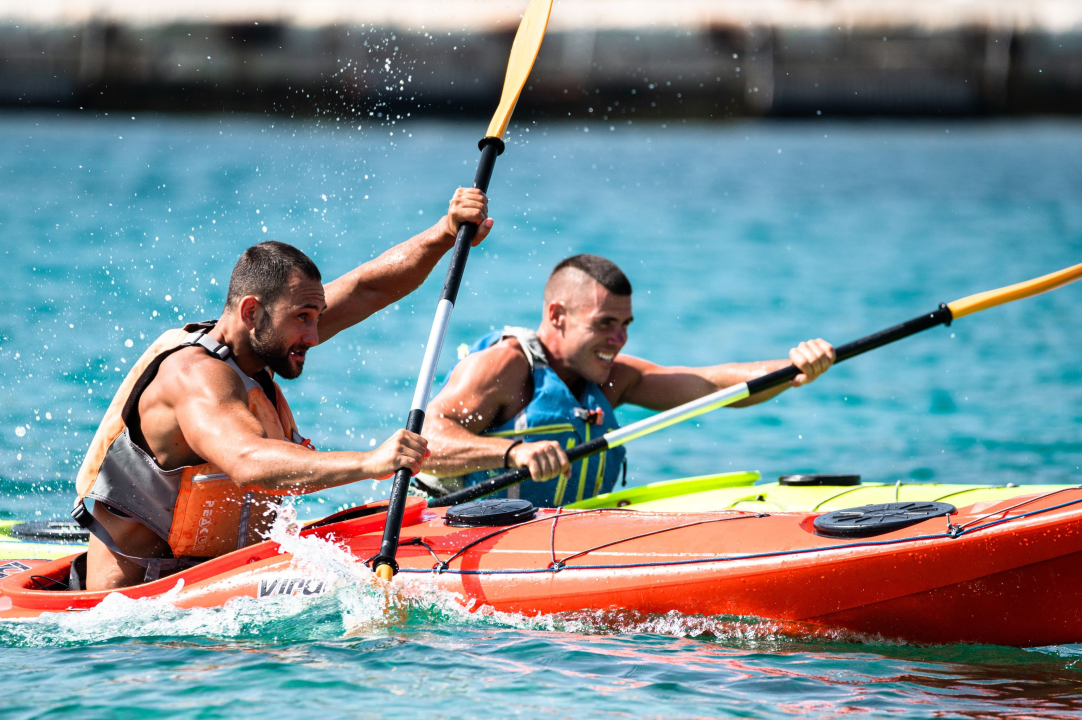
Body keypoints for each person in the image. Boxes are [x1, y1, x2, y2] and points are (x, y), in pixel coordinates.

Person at [72, 189, 494, 590]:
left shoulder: (263, 346)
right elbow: (246, 460)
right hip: (132, 621)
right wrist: (370, 462)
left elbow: (368, 287)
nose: (313, 336)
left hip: (213, 585)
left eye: (317, 316)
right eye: (303, 317)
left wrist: (444, 233)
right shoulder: (193, 375)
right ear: (251, 311)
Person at [421, 254, 836, 507]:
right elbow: (423, 441)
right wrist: (513, 453)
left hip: (558, 540)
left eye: (625, 324)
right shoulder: (503, 369)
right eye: (604, 324)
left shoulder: (611, 379)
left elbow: (711, 386)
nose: (618, 340)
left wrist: (793, 368)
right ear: (556, 316)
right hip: (460, 534)